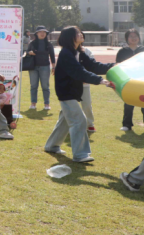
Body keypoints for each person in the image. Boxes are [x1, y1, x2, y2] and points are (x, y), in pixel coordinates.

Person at [44, 26, 114, 163]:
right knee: (79, 120)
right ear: (70, 37)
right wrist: (100, 80)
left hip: (74, 92)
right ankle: (80, 155)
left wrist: (114, 66)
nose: (81, 34)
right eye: (77, 33)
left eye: (80, 32)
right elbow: (79, 72)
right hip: (66, 92)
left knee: (65, 121)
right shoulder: (66, 54)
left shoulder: (79, 52)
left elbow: (94, 66)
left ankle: (51, 146)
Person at [118, 29, 144, 133]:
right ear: (127, 38)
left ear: (139, 38)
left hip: (143, 80)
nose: (133, 38)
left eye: (135, 36)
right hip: (129, 81)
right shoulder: (122, 51)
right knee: (128, 102)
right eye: (131, 36)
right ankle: (127, 124)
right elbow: (118, 66)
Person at [27, 26, 56, 111]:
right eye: (40, 32)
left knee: (45, 86)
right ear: (36, 33)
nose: (42, 34)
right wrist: (29, 52)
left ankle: (47, 104)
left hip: (45, 67)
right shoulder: (32, 43)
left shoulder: (49, 44)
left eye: (44, 32)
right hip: (33, 67)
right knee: (33, 86)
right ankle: (33, 103)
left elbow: (52, 56)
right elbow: (27, 52)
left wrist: (53, 67)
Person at [80, 44, 97, 132]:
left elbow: (92, 66)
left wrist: (86, 78)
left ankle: (90, 123)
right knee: (69, 106)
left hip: (85, 84)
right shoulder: (66, 51)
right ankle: (67, 125)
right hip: (70, 84)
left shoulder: (87, 51)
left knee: (87, 105)